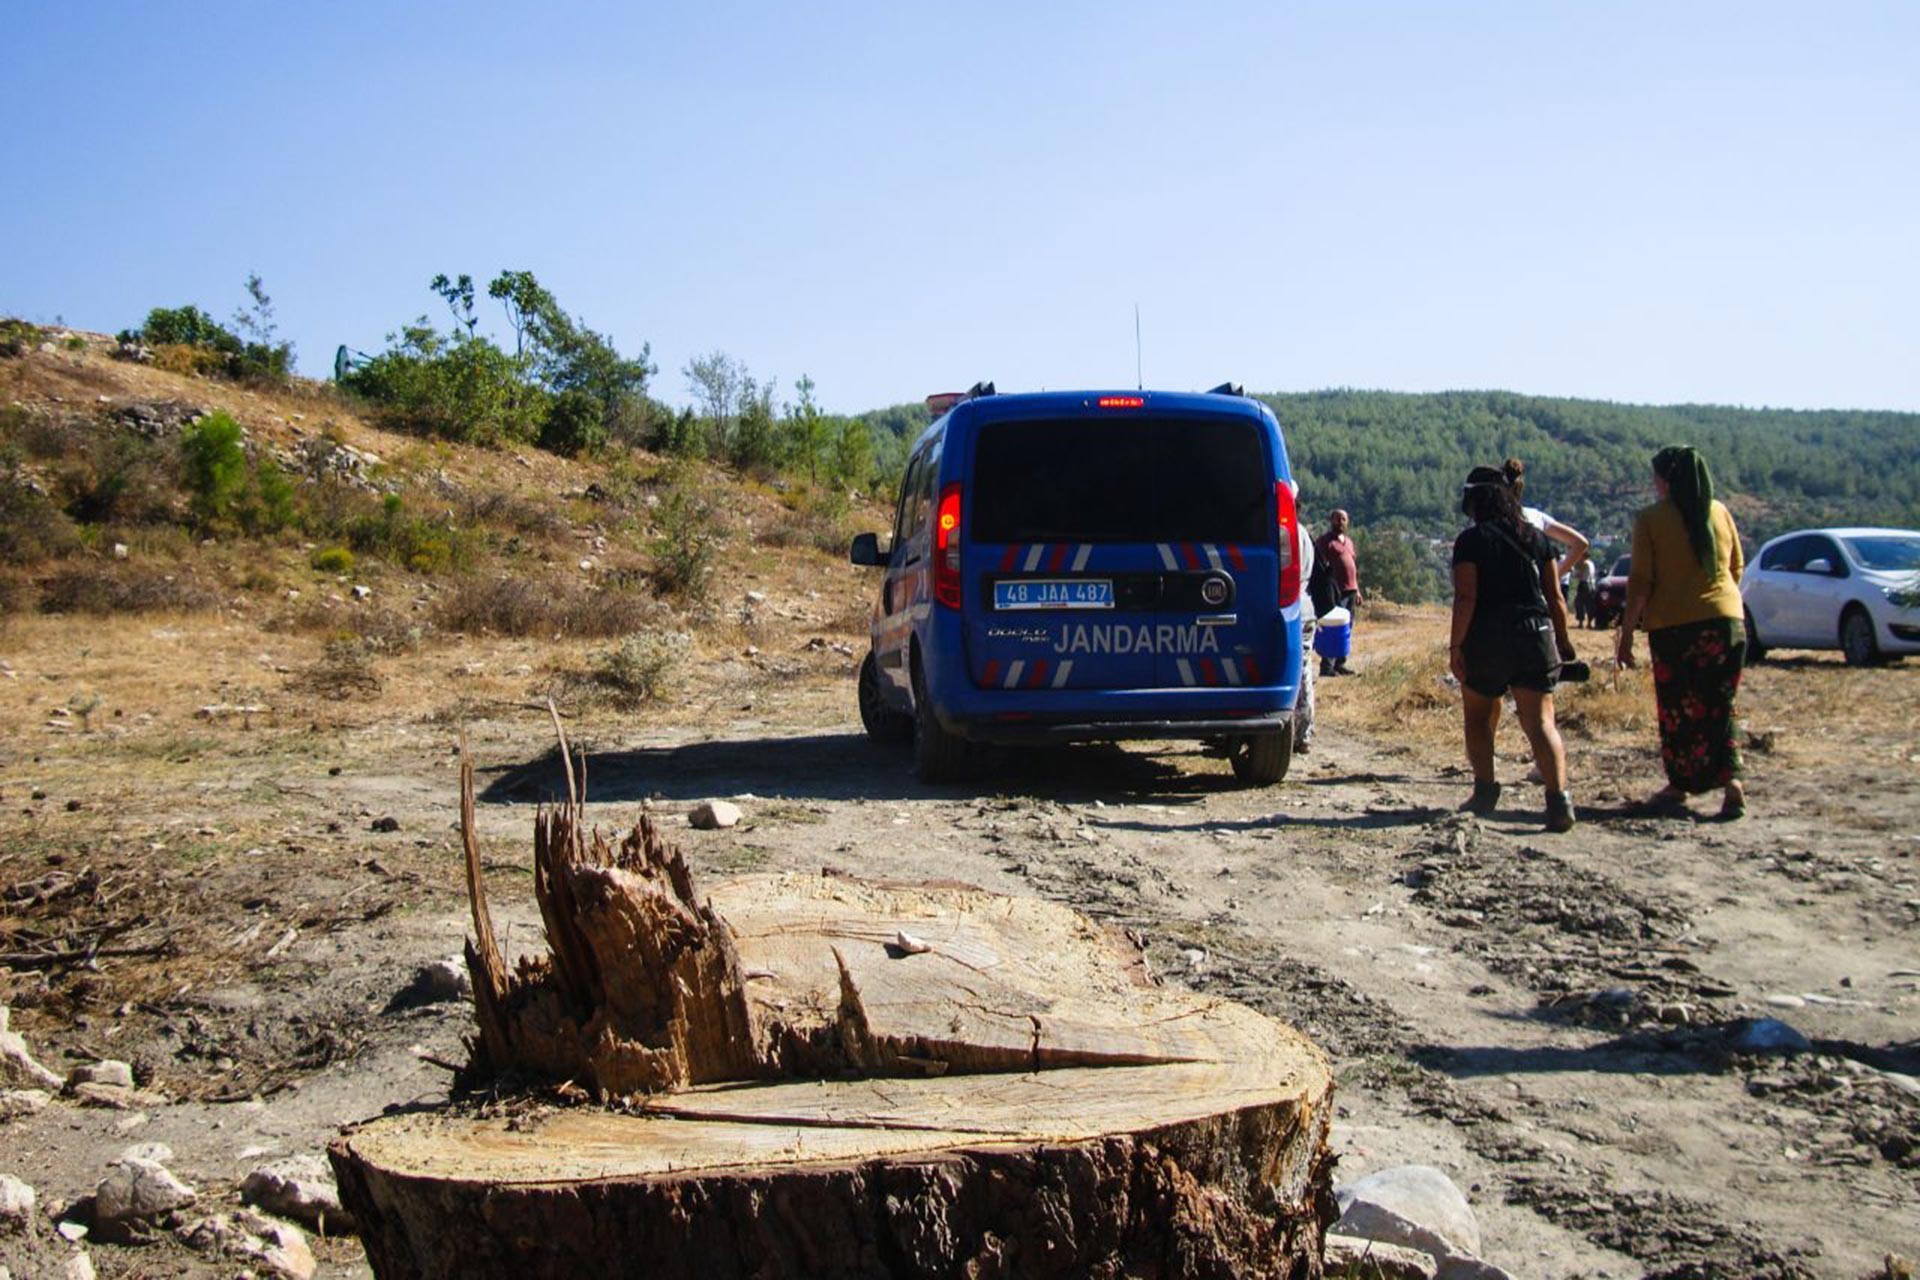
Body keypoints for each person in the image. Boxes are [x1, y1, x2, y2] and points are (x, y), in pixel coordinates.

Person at [1614, 445, 1748, 820]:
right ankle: (1732, 781)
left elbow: (1640, 581)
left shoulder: (1651, 519)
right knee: (1719, 706)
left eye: (1656, 477)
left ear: (1667, 480)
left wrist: (1626, 635)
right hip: (1727, 623)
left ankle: (1679, 784)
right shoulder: (1719, 511)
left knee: (1678, 710)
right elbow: (1736, 566)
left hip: (1675, 629)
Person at [1449, 465, 1577, 832]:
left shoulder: (1471, 541)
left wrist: (1456, 645)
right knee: (1539, 721)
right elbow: (1555, 597)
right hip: (1533, 633)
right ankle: (1558, 800)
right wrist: (1564, 641)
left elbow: (1466, 596)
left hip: (1486, 637)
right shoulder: (1537, 538)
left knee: (1478, 717)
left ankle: (1485, 791)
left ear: (1474, 501)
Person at [1502, 458, 1591, 580]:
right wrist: (1554, 576)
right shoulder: (1536, 516)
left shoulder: (1488, 524)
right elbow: (1580, 543)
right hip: (1535, 592)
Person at [1313, 509, 1361, 675]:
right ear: (1331, 521)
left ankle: (1340, 663)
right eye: (1337, 519)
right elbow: (1319, 565)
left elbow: (1353, 566)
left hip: (1351, 590)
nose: (1340, 522)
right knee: (1333, 627)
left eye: (1343, 519)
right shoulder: (1325, 541)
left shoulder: (1348, 542)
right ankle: (1327, 666)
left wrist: (1358, 590)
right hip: (1335, 592)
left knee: (1346, 628)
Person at [1293, 502, 1317, 752]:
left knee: (1299, 671)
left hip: (1296, 611)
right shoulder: (1304, 534)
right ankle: (1304, 731)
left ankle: (1301, 732)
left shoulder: (1291, 535)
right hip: (1306, 608)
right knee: (1305, 669)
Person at [1572, 558, 1598, 628]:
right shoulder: (1591, 563)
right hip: (1592, 585)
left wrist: (1574, 573)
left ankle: (1581, 622)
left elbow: (1578, 575)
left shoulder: (1583, 564)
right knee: (1590, 604)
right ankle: (1589, 622)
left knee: (1580, 604)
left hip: (1583, 584)